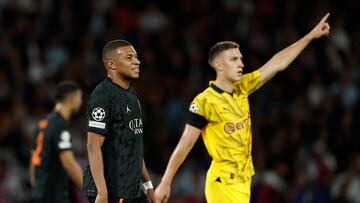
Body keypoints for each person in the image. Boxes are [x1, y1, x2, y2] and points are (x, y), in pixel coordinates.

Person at [155, 13, 331, 203]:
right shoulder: (205, 101)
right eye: (234, 60)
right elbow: (185, 143)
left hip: (243, 181)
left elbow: (277, 63)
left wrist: (310, 36)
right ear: (219, 66)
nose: (241, 64)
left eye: (241, 59)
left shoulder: (243, 87)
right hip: (223, 183)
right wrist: (166, 181)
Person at [83, 39, 155, 203]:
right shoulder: (102, 95)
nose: (137, 61)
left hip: (132, 189)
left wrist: (148, 185)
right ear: (112, 64)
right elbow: (93, 145)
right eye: (129, 57)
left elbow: (134, 145)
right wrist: (102, 191)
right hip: (112, 189)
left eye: (136, 57)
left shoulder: (132, 95)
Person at [29, 81, 83, 203]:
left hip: (39, 195)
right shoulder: (60, 125)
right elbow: (69, 163)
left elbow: (34, 161)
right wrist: (90, 190)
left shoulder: (43, 123)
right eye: (79, 98)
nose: (81, 102)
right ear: (71, 99)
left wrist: (38, 189)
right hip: (54, 195)